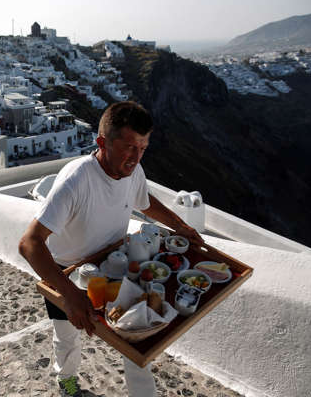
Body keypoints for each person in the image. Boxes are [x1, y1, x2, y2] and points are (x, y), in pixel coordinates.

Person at [18, 101, 203, 396]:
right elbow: (29, 243)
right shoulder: (76, 180)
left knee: (136, 342)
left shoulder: (133, 171)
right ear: (102, 142)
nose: (136, 157)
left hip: (115, 265)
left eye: (143, 148)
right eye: (129, 147)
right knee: (67, 339)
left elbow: (144, 200)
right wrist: (70, 294)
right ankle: (66, 382)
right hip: (69, 274)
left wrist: (179, 225)